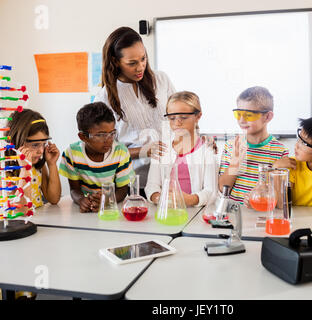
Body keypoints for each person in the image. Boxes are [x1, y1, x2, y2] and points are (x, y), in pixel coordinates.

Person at [0, 108, 61, 300]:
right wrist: (24, 169)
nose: (40, 151)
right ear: (17, 142)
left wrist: (52, 165)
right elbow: (22, 208)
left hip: (32, 232)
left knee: (30, 290)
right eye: (35, 144)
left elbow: (53, 198)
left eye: (43, 144)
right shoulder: (0, 169)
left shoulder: (37, 164)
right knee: (16, 288)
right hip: (11, 237)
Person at [94, 26, 176, 191]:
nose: (140, 67)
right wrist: (143, 151)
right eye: (132, 63)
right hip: (135, 182)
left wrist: (198, 141)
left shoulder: (161, 80)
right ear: (116, 61)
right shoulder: (104, 97)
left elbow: (181, 118)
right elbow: (101, 150)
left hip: (171, 176)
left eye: (143, 59)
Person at [218, 86, 289, 205]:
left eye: (249, 115)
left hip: (262, 215)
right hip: (235, 214)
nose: (241, 120)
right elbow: (222, 189)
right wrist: (235, 161)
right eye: (238, 113)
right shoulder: (231, 146)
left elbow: (280, 200)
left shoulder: (280, 151)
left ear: (268, 117)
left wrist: (258, 201)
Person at [145, 91, 217, 207]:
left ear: (198, 116)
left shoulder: (206, 150)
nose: (177, 123)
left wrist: (191, 199)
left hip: (194, 213)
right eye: (172, 118)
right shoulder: (161, 149)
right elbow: (151, 186)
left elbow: (211, 191)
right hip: (167, 211)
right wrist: (159, 198)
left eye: (183, 117)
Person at [59, 102, 134, 212]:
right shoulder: (72, 153)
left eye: (112, 133)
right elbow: (74, 189)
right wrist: (81, 200)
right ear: (83, 137)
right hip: (86, 211)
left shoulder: (120, 152)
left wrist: (107, 200)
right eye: (100, 135)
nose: (108, 139)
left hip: (112, 209)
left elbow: (122, 190)